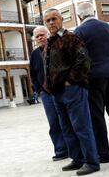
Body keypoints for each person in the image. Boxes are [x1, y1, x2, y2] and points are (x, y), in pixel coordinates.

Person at [43, 8, 99, 176]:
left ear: (61, 19)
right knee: (67, 128)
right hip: (57, 93)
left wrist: (70, 81)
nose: (51, 22)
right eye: (48, 20)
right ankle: (77, 159)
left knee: (81, 126)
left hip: (72, 90)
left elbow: (84, 61)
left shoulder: (71, 37)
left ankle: (91, 162)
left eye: (54, 19)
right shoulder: (51, 41)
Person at [74, 2, 109, 163]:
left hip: (92, 79)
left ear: (79, 16)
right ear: (93, 12)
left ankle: (104, 154)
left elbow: (80, 58)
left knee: (96, 117)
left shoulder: (79, 31)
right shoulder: (108, 27)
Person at [30, 26, 68, 161]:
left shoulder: (57, 48)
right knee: (53, 122)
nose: (40, 38)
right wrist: (38, 89)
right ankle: (61, 150)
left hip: (61, 91)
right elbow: (33, 74)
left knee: (66, 120)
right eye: (37, 36)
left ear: (48, 35)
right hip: (46, 94)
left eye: (42, 35)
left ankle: (73, 148)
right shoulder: (34, 54)